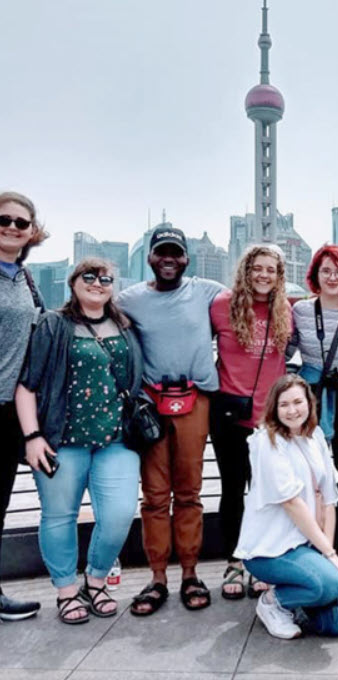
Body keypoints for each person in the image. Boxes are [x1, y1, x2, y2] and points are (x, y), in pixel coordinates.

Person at [15, 258, 144, 624]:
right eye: (88, 276)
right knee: (59, 516)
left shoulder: (125, 326)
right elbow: (27, 384)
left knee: (119, 515)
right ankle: (66, 591)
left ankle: (97, 579)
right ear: (73, 283)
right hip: (62, 440)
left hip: (116, 439)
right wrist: (32, 436)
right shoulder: (54, 325)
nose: (97, 283)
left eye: (105, 278)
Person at [117, 226, 226, 615]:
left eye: (175, 253)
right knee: (155, 497)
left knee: (190, 493)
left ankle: (191, 574)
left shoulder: (207, 290)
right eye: (161, 252)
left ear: (186, 259)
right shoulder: (129, 299)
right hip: (151, 404)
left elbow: (252, 302)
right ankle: (158, 577)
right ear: (149, 257)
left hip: (195, 401)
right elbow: (90, 314)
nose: (168, 259)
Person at [234, 374, 338, 639]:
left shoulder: (316, 436)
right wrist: (331, 557)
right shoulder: (266, 441)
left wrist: (327, 552)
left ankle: (307, 587)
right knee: (331, 582)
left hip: (307, 545)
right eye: (284, 404)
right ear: (274, 409)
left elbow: (330, 500)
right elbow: (292, 503)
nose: (292, 410)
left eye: (298, 402)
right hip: (271, 550)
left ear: (309, 403)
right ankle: (273, 602)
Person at [210, 245, 291, 600]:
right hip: (229, 413)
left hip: (270, 419)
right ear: (245, 270)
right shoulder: (220, 306)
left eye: (271, 270)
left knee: (267, 494)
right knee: (232, 490)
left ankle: (261, 559)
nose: (263, 275)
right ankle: (234, 560)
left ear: (279, 275)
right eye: (257, 268)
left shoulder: (284, 310)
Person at [289, 245, 338, 569]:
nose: (332, 277)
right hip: (312, 401)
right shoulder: (301, 311)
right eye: (326, 271)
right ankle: (313, 554)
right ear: (315, 276)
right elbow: (284, 348)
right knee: (309, 481)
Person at [0, 191, 47, 621]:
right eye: (5, 220)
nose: (12, 227)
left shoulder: (23, 278)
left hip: (13, 409)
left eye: (21, 223)